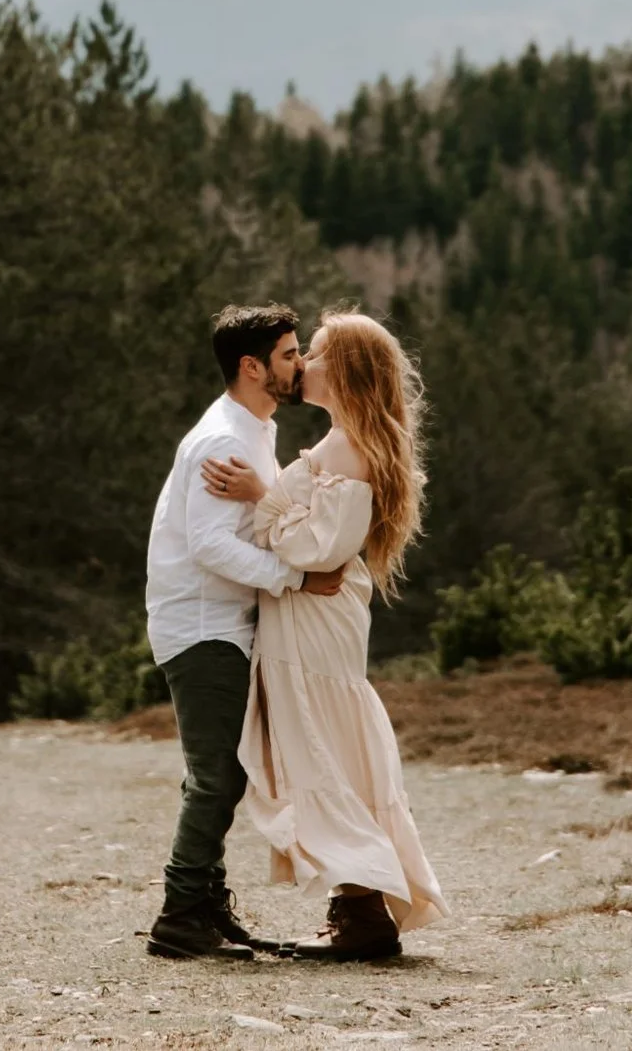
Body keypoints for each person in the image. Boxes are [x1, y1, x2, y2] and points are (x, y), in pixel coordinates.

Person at [213, 309, 447, 961]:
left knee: (324, 750)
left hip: (316, 623)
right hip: (313, 619)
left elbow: (315, 547)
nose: (304, 365)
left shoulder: (347, 448)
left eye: (314, 354)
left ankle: (363, 912)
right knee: (329, 748)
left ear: (341, 371)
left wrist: (265, 495)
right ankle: (358, 907)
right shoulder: (346, 442)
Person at [142, 304, 345, 961]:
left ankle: (204, 904)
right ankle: (180, 916)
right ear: (252, 366)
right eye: (289, 354)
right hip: (200, 625)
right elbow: (208, 546)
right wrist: (294, 577)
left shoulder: (254, 427)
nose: (301, 363)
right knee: (216, 775)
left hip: (219, 622)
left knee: (223, 770)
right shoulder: (224, 440)